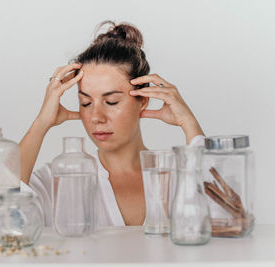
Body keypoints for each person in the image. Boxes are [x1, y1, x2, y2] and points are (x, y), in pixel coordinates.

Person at [19, 21, 205, 226]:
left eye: (111, 102)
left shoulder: (175, 174)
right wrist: (41, 122)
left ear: (143, 100)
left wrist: (189, 123)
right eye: (86, 102)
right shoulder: (63, 177)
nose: (96, 116)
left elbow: (225, 213)